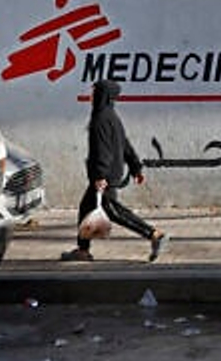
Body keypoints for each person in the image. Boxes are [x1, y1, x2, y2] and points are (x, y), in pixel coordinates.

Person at [60, 79, 169, 262]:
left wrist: (100, 175)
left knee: (113, 211)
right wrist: (135, 167)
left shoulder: (101, 119)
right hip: (108, 172)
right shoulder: (111, 116)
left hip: (106, 174)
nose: (91, 96)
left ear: (102, 95)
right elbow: (124, 144)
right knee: (86, 207)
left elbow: (102, 150)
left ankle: (154, 235)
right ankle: (83, 250)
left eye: (94, 92)